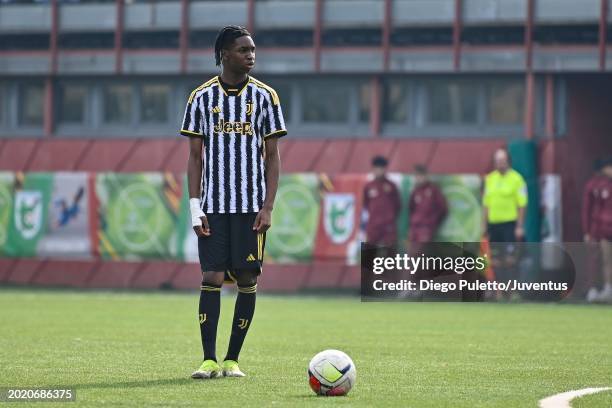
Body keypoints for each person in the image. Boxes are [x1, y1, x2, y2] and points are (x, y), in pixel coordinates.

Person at [180, 26, 287, 379]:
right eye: (244, 50)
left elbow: (273, 157)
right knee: (210, 276)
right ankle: (208, 360)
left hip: (250, 209)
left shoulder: (266, 97)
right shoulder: (200, 97)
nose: (251, 55)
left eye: (253, 49)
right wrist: (195, 206)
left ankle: (232, 360)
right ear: (225, 54)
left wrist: (268, 205)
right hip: (214, 207)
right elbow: (195, 157)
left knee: (246, 276)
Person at [482, 148, 527, 297]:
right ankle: (498, 291)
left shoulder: (517, 179)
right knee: (495, 260)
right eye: (497, 161)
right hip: (494, 225)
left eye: (502, 160)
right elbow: (486, 204)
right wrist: (484, 225)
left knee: (510, 259)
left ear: (508, 161)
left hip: (509, 224)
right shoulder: (490, 179)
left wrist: (519, 226)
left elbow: (522, 204)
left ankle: (512, 290)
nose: (500, 163)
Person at [407, 164, 447, 252]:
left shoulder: (433, 190)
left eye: (420, 175)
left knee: (422, 254)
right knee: (411, 255)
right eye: (416, 176)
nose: (418, 178)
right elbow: (411, 208)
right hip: (414, 228)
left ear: (426, 176)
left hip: (426, 228)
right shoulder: (415, 191)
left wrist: (433, 223)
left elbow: (443, 209)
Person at [587, 157, 612, 302]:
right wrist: (589, 230)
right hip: (605, 231)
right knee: (604, 260)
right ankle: (603, 289)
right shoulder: (598, 186)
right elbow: (591, 210)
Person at [362, 156, 401, 247]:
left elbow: (398, 205)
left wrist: (389, 217)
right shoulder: (369, 186)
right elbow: (366, 204)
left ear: (385, 169)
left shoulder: (392, 186)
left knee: (390, 254)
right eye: (377, 168)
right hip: (373, 225)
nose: (379, 171)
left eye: (381, 168)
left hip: (388, 225)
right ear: (373, 169)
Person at [582, 159, 605, 302]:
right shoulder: (592, 186)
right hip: (597, 230)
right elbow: (587, 210)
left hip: (605, 230)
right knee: (594, 259)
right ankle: (592, 289)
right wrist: (587, 231)